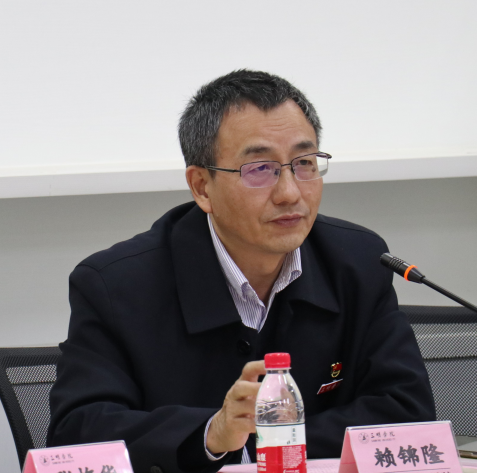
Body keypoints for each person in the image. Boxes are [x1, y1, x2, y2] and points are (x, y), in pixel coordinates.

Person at [48, 70, 436, 473]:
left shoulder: (358, 261)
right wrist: (210, 435)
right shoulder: (116, 285)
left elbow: (407, 412)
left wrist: (260, 445)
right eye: (260, 169)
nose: (290, 193)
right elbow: (78, 434)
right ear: (202, 186)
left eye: (304, 163)